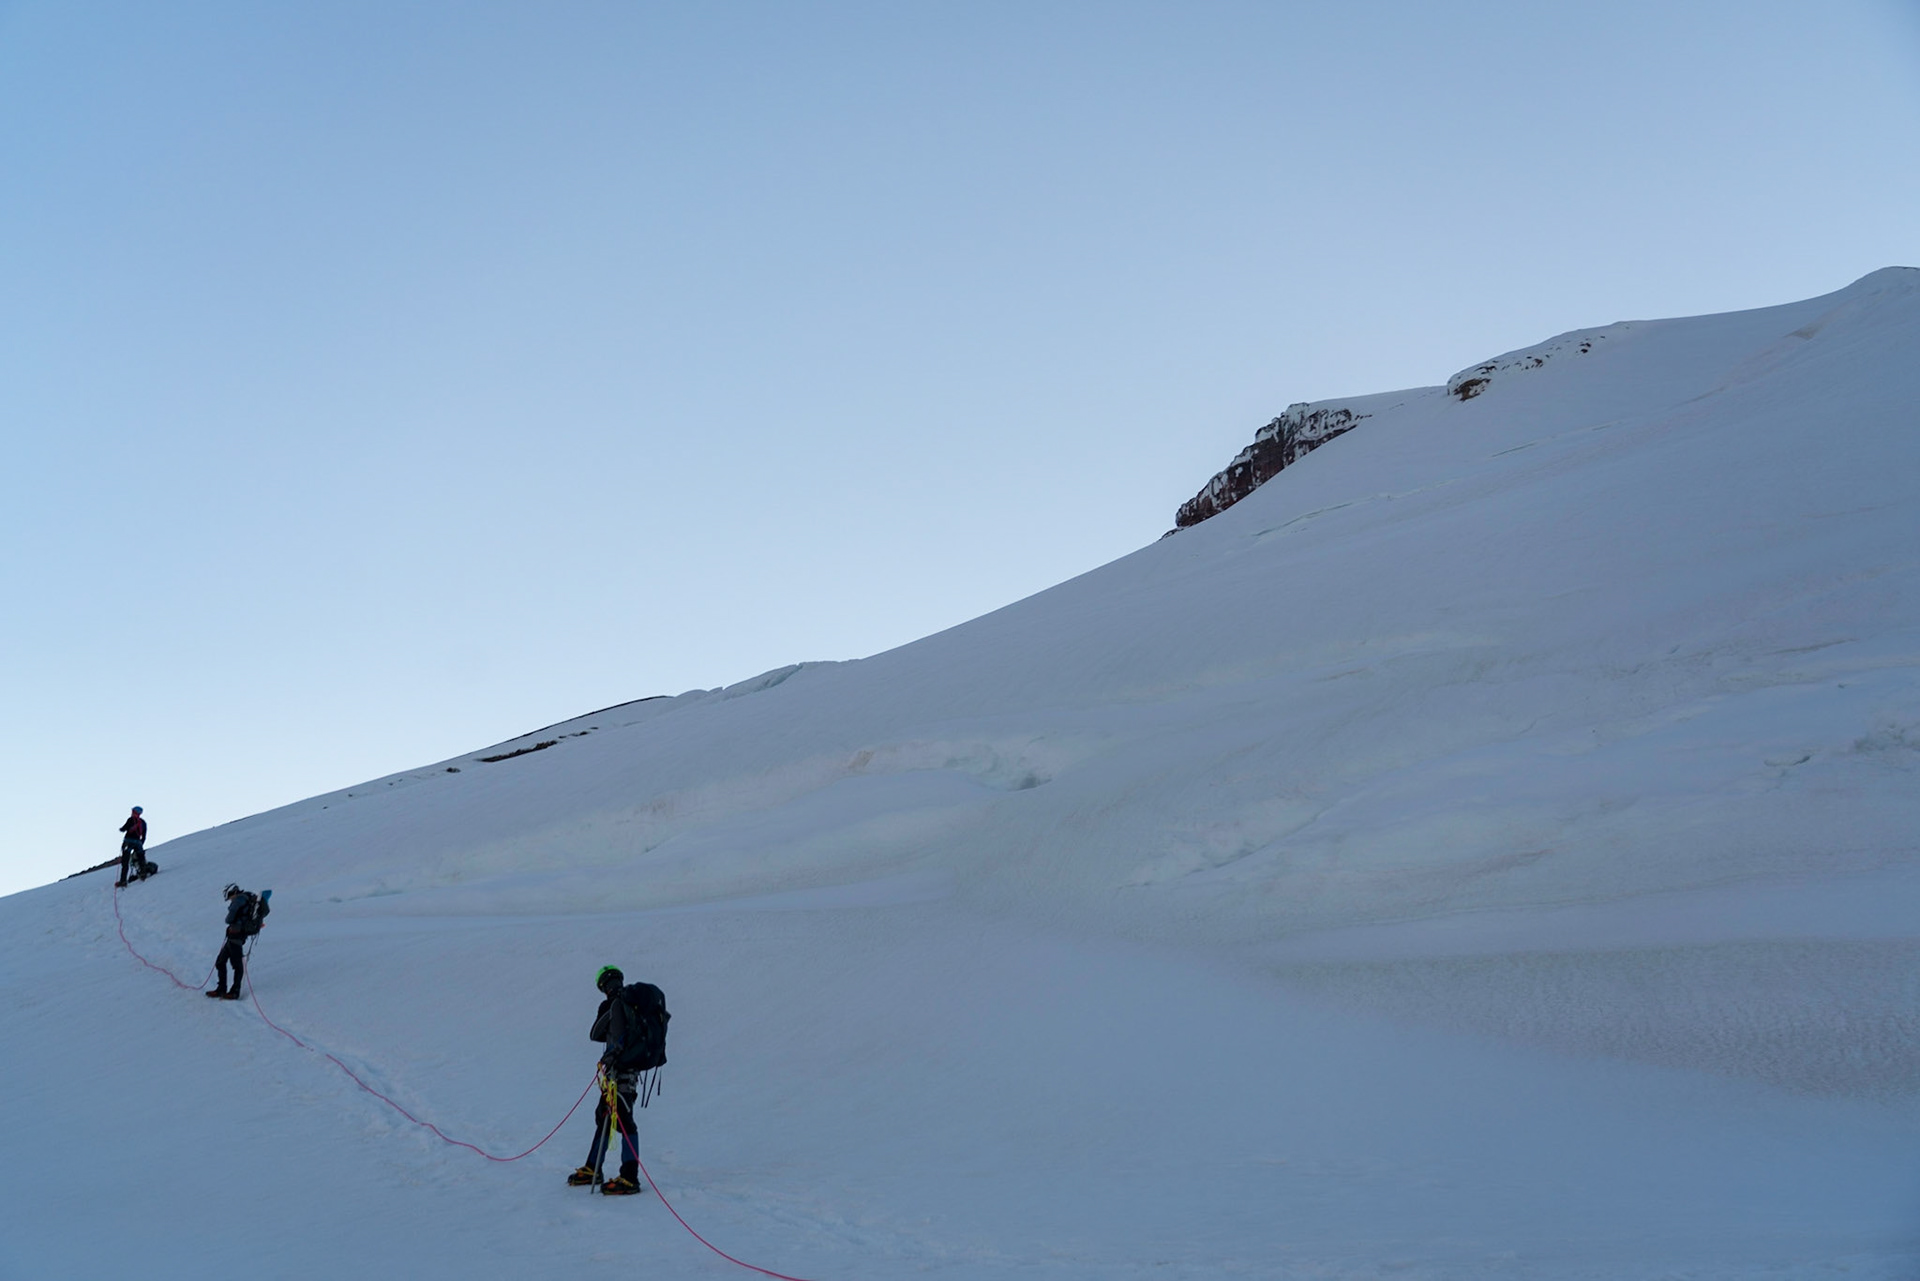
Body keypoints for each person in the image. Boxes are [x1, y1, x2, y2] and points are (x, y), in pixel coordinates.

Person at [568, 965, 667, 1195]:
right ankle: (594, 1168)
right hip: (629, 1071)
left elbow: (595, 1033)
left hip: (619, 1071)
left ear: (603, 986)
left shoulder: (613, 1004)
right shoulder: (633, 1004)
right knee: (605, 1116)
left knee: (623, 1118)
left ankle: (629, 1177)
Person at [206, 884, 254, 1000]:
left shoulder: (239, 900)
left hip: (236, 936)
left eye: (229, 896)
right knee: (220, 962)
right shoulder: (246, 898)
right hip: (235, 936)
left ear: (233, 892)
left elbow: (229, 919)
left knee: (236, 965)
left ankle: (234, 992)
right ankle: (221, 989)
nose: (229, 899)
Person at [116, 806, 149, 887]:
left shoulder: (131, 819)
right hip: (138, 843)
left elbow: (124, 828)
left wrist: (121, 829)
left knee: (125, 861)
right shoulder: (143, 823)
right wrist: (140, 843)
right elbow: (144, 836)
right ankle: (143, 874)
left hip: (128, 841)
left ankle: (123, 881)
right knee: (141, 858)